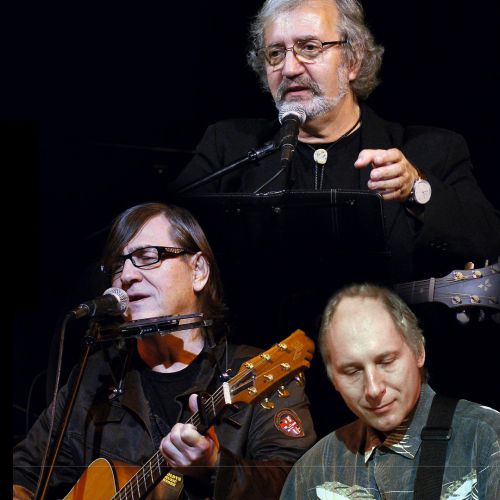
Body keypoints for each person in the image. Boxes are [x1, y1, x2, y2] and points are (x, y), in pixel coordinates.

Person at [171, 0, 500, 280]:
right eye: (275, 53)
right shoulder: (228, 146)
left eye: (309, 48)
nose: (289, 68)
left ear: (352, 61)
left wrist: (416, 188)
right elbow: (162, 230)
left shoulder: (432, 150)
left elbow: (488, 241)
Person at [13, 202, 316, 499]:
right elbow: (23, 473)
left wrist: (214, 467)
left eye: (147, 256)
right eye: (118, 265)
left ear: (198, 271)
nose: (127, 276)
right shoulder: (94, 379)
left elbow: (299, 483)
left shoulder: (257, 371)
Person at [279, 283, 500, 499]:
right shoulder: (311, 471)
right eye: (352, 371)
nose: (373, 389)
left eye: (386, 362)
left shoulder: (486, 437)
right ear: (333, 380)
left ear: (419, 352)